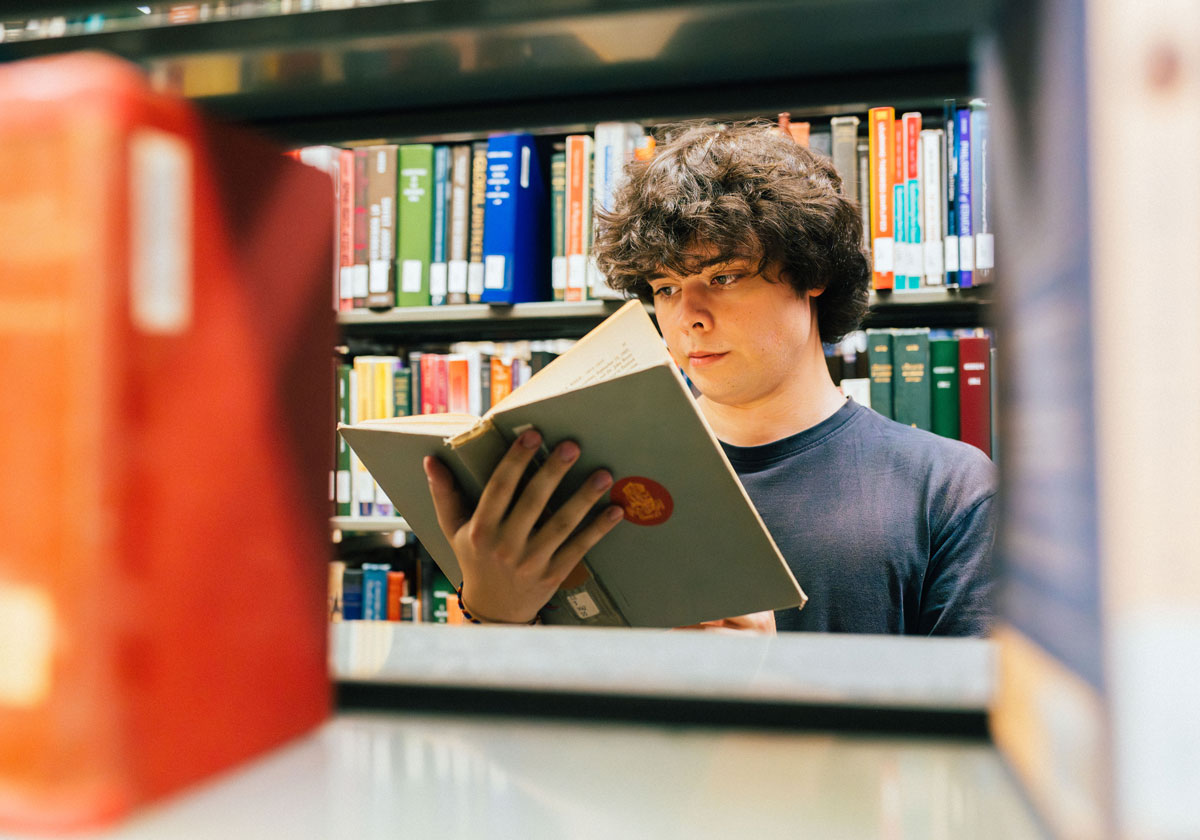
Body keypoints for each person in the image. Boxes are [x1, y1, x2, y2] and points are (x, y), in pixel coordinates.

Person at [424, 120, 996, 635]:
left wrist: (770, 689)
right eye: (666, 289)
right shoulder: (591, 472)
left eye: (723, 277)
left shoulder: (947, 490)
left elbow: (973, 741)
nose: (687, 315)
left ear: (813, 273)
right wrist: (491, 613)